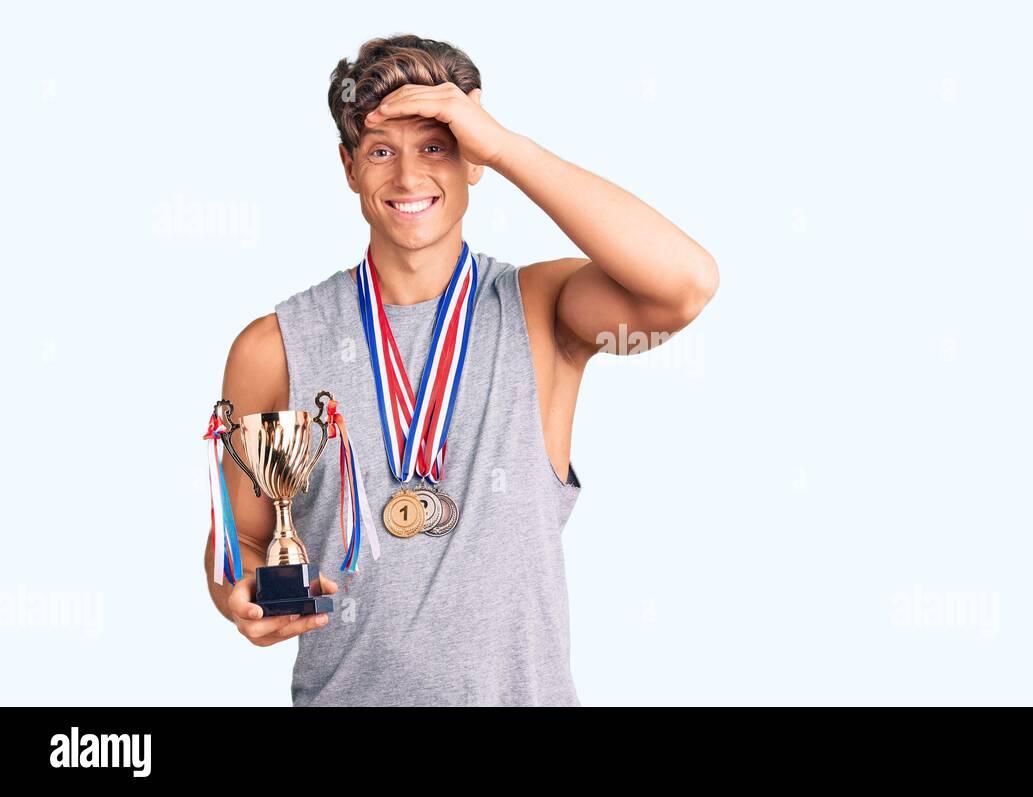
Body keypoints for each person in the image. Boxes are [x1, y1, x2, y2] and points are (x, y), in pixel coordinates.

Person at [201, 34, 718, 706]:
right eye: (382, 150)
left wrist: (503, 145)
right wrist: (234, 591)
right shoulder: (275, 346)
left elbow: (685, 284)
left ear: (472, 160)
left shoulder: (543, 312)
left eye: (436, 147)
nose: (410, 178)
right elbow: (239, 536)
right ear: (349, 167)